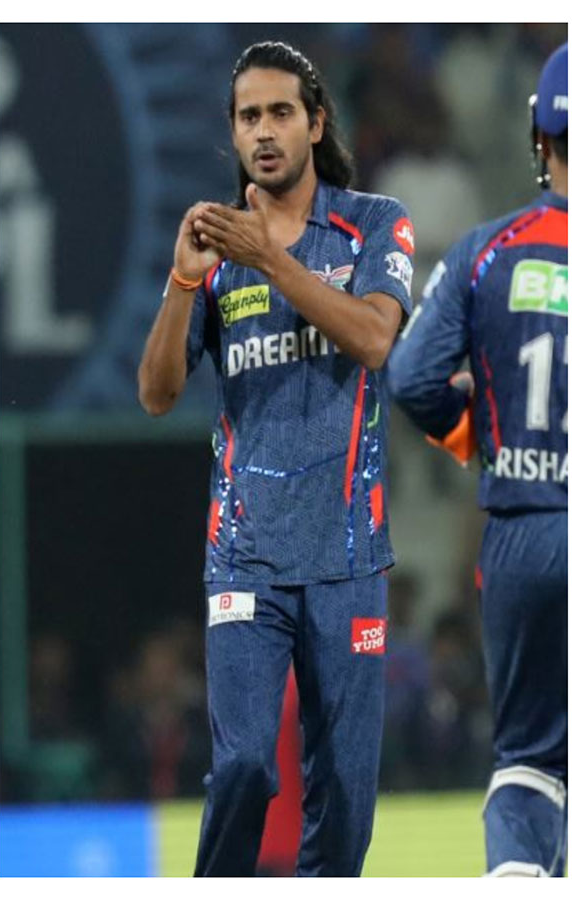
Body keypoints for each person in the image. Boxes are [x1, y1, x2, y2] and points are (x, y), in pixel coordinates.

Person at [137, 40, 415, 876]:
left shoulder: (372, 222)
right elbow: (156, 393)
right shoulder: (217, 252)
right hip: (246, 557)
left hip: (348, 554)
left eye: (281, 113)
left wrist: (273, 261)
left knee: (347, 795)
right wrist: (184, 283)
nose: (265, 131)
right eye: (249, 116)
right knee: (248, 766)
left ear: (315, 122)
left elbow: (372, 338)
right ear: (233, 133)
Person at [386, 43, 567, 878]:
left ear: (539, 138)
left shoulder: (487, 252)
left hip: (525, 531)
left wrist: (480, 438)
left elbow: (413, 377)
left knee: (529, 761)